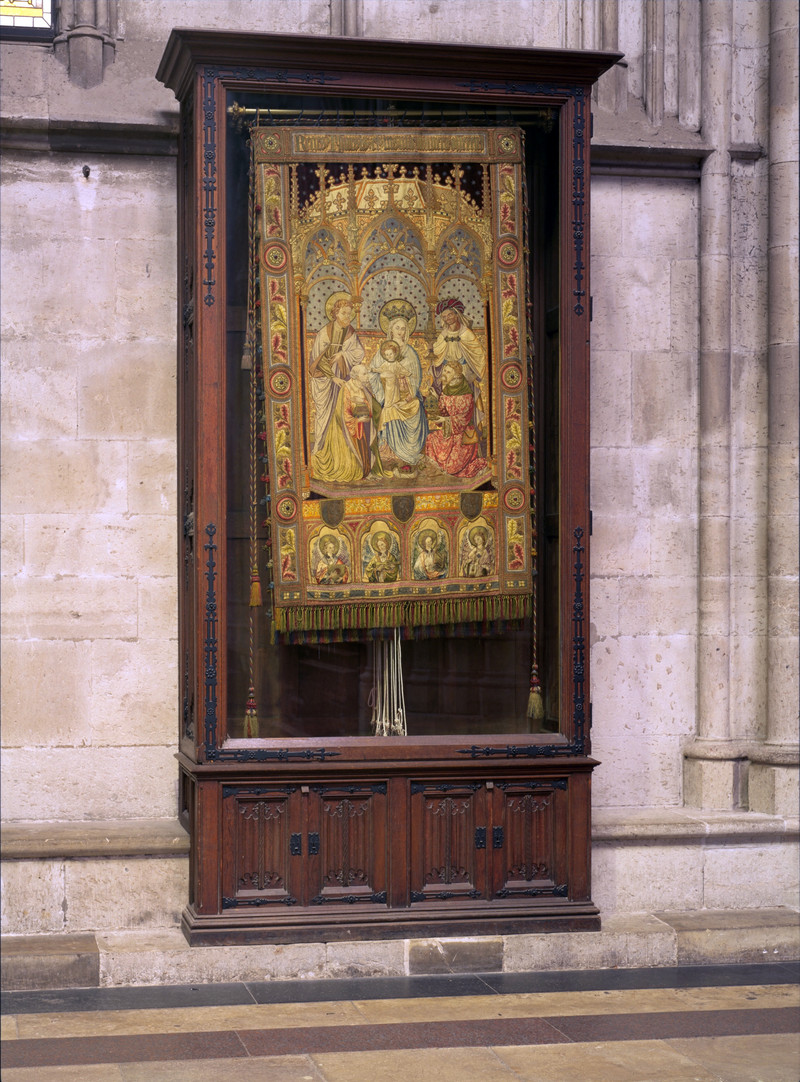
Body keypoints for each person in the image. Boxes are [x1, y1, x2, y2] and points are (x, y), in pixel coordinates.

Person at [308, 296, 369, 484]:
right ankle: (319, 449)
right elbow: (316, 361)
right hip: (325, 381)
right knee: (324, 416)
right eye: (344, 313)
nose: (347, 316)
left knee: (342, 417)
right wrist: (332, 377)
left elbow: (359, 353)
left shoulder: (350, 332)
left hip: (343, 380)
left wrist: (343, 354)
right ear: (335, 313)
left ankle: (343, 455)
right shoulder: (323, 334)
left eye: (350, 313)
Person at [424, 360, 488, 479]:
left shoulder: (466, 393)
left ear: (457, 375)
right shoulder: (446, 390)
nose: (444, 374)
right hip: (450, 432)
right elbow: (443, 411)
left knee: (451, 467)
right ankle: (438, 470)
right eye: (444, 371)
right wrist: (435, 398)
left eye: (448, 372)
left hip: (462, 434)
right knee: (430, 438)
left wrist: (445, 419)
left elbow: (463, 419)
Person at [374, 338, 427, 471]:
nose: (389, 356)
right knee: (388, 411)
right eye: (386, 355)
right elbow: (379, 373)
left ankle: (411, 449)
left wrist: (407, 377)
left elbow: (409, 381)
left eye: (391, 354)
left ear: (395, 354)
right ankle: (390, 449)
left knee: (415, 406)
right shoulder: (385, 366)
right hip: (391, 397)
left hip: (405, 399)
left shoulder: (399, 365)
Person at [431, 298, 486, 414]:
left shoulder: (466, 333)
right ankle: (451, 425)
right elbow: (437, 351)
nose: (448, 318)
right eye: (444, 316)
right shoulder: (444, 334)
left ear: (457, 315)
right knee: (448, 399)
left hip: (464, 371)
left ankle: (465, 426)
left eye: (450, 315)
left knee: (464, 401)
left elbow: (478, 353)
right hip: (448, 371)